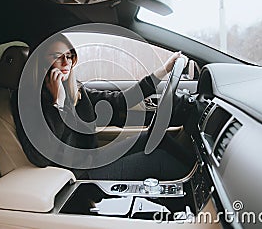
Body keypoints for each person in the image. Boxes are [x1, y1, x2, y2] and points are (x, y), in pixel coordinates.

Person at [12, 34, 191, 180]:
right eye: (56, 57)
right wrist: (57, 104)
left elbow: (123, 100)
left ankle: (197, 170)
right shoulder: (28, 101)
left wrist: (164, 70)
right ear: (39, 62)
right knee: (157, 160)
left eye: (69, 56)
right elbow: (40, 156)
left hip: (92, 159)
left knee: (155, 137)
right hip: (77, 175)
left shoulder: (76, 92)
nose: (66, 62)